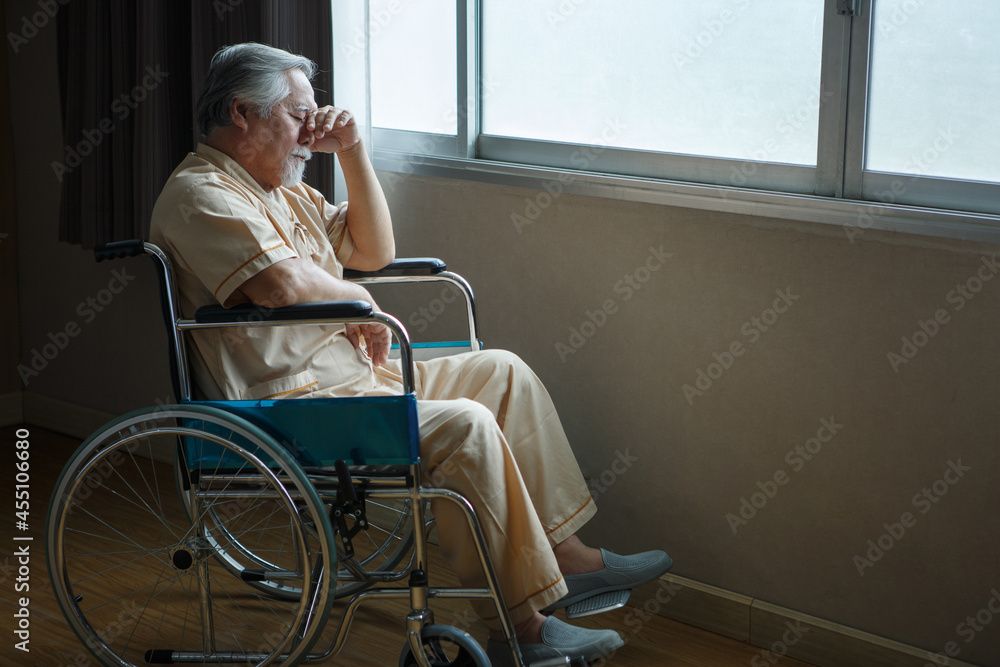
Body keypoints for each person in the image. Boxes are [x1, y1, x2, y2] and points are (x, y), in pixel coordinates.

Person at [150, 42, 671, 666]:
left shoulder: (282, 193)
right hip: (289, 405)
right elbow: (283, 286)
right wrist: (360, 306)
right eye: (298, 115)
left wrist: (352, 151)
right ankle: (521, 631)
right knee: (465, 426)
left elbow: (372, 250)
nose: (309, 134)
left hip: (354, 380)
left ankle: (567, 558)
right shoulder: (201, 193)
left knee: (503, 372)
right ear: (241, 112)